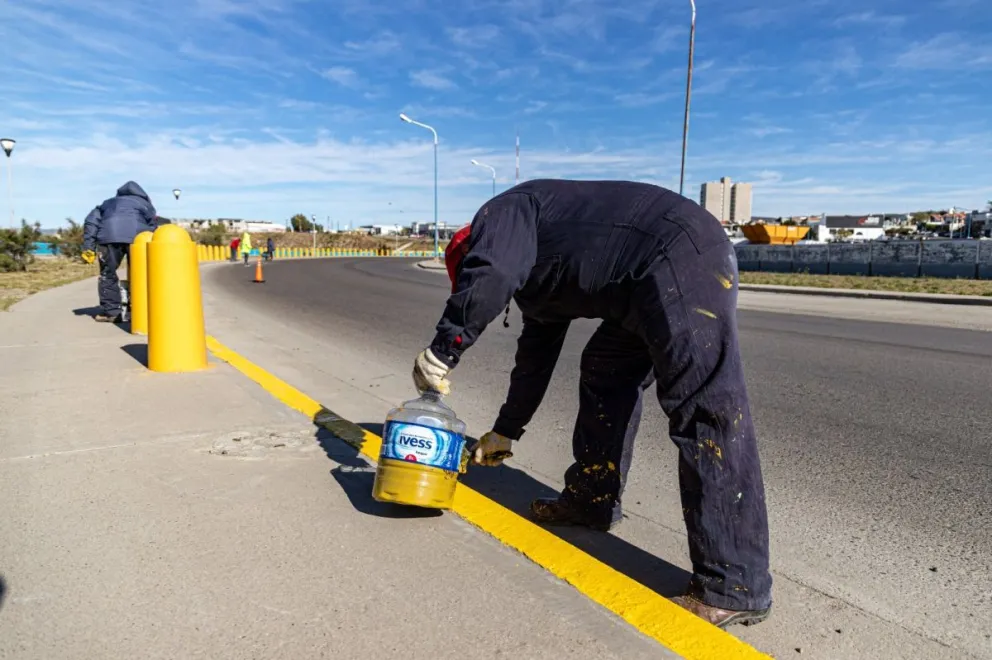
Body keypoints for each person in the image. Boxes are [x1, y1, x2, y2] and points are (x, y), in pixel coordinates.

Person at [411, 179, 772, 629]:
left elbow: (493, 274)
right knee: (605, 366)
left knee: (706, 408)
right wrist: (506, 429)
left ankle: (735, 584)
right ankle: (592, 500)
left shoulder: (502, 214)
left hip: (679, 254)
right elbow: (534, 358)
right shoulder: (537, 276)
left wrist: (444, 349)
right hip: (638, 287)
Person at [81, 181, 158, 323]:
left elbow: (91, 222)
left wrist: (88, 247)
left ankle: (111, 312)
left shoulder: (107, 203)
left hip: (108, 237)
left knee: (107, 274)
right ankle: (141, 310)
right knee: (141, 274)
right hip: (137, 239)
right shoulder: (145, 204)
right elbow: (153, 226)